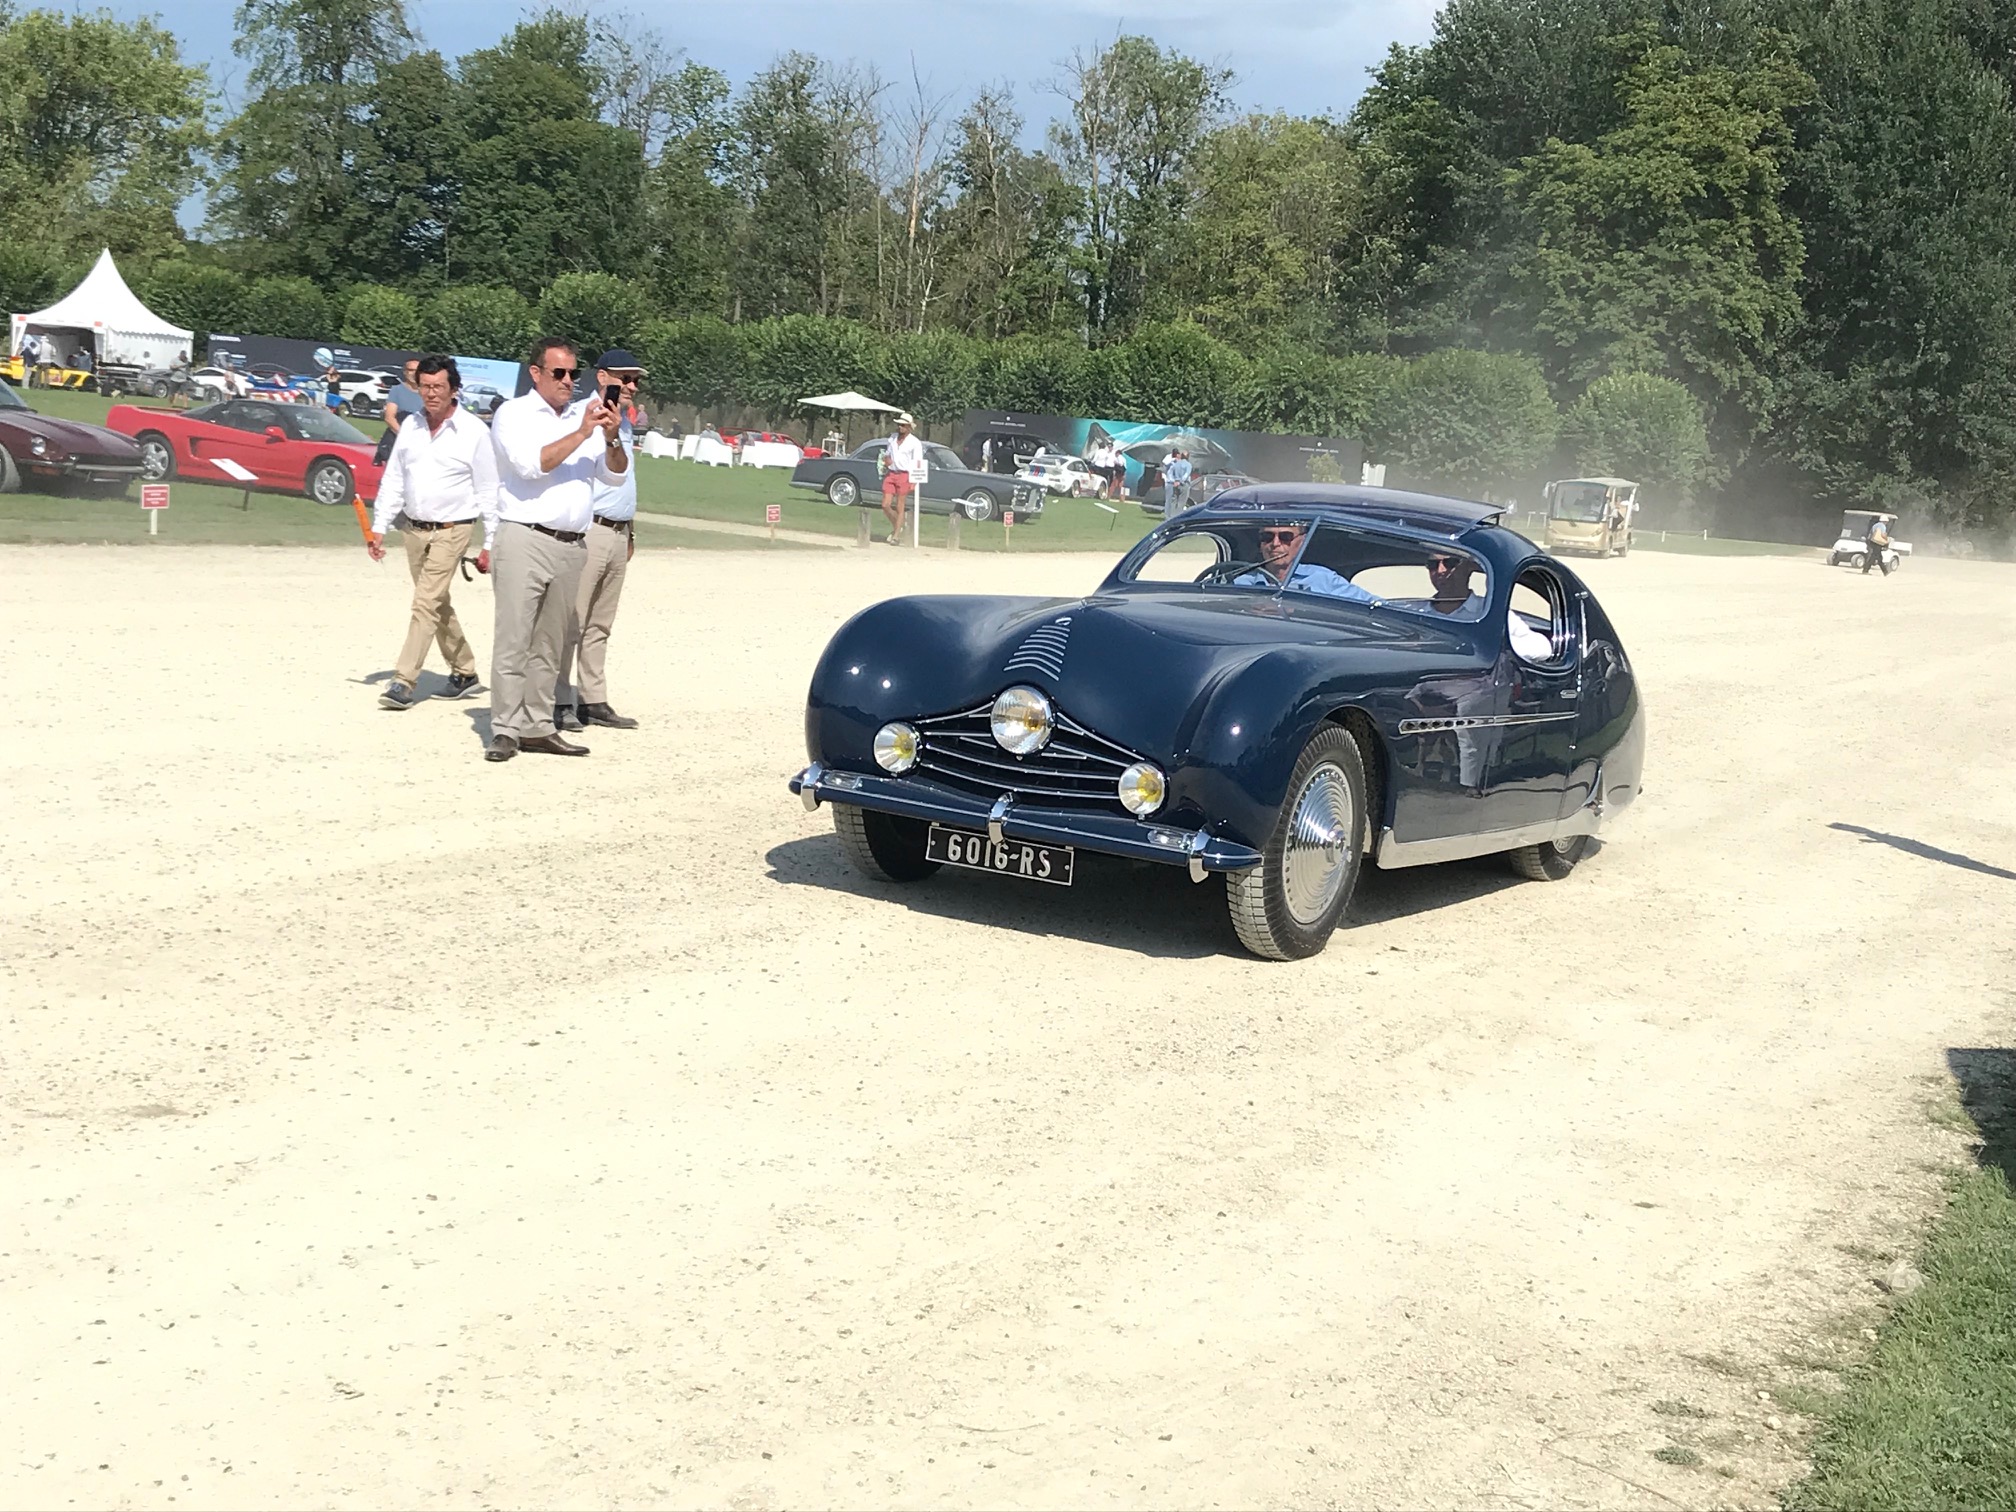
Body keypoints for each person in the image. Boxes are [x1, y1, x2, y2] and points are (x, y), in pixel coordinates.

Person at [483, 335, 628, 763]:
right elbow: (531, 465)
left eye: (573, 373)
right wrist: (582, 431)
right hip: (524, 537)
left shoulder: (586, 416)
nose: (568, 381)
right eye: (558, 372)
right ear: (536, 373)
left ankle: (538, 725)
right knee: (514, 639)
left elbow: (614, 476)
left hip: (570, 544)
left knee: (549, 644)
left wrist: (612, 437)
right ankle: (505, 728)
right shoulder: (514, 414)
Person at [365, 355, 500, 712]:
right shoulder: (410, 426)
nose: (431, 393)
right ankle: (465, 671)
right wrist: (379, 526)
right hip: (414, 528)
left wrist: (489, 543)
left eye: (439, 386)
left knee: (424, 603)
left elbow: (489, 490)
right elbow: (395, 477)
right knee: (436, 602)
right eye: (425, 386)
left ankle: (404, 681)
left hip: (454, 529)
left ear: (454, 389)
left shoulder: (474, 431)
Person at [555, 349, 648, 732]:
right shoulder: (583, 415)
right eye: (624, 379)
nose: (631, 387)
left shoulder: (622, 424)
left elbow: (624, 482)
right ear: (603, 377)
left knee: (600, 624)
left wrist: (630, 530)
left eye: (636, 381)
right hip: (589, 528)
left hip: (617, 530)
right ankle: (559, 699)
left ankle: (592, 699)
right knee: (571, 621)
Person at [1424, 551, 1554, 660]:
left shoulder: (1489, 611)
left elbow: (1542, 647)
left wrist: (1489, 644)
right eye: (1433, 565)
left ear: (1469, 567)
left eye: (1450, 563)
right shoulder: (1418, 612)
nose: (1441, 570)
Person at [1232, 522, 1378, 602]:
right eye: (1267, 536)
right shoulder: (1241, 583)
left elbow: (1374, 605)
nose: (1275, 543)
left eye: (1285, 537)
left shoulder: (1323, 579)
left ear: (1301, 542)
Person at [879, 411, 925, 544]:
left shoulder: (914, 442)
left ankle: (896, 535)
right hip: (891, 473)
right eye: (900, 425)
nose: (901, 427)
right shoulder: (892, 438)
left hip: (904, 474)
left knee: (900, 506)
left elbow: (918, 461)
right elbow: (887, 454)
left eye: (904, 425)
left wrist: (914, 480)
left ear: (909, 427)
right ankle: (898, 525)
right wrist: (886, 460)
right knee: (885, 504)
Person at [377, 358, 422, 467]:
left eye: (417, 370)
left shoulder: (427, 393)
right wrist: (405, 436)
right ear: (405, 372)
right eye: (411, 370)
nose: (414, 374)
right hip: (398, 442)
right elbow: (389, 417)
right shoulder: (397, 390)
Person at [1163, 448, 1194, 516]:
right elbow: (1186, 474)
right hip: (1183, 484)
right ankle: (1177, 516)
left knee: (1173, 501)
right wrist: (1181, 481)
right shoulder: (1188, 465)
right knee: (1181, 502)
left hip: (1175, 483)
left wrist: (1175, 481)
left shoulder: (1176, 463)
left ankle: (1171, 516)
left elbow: (1171, 473)